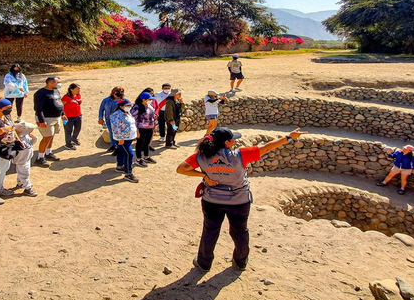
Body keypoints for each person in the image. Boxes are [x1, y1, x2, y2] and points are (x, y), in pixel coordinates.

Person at [177, 126, 307, 271]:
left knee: (210, 230)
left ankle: (204, 263)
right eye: (233, 140)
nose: (234, 142)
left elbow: (181, 169)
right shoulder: (240, 155)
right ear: (227, 143)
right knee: (240, 231)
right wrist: (289, 137)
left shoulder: (201, 156)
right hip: (239, 201)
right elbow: (267, 147)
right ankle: (240, 261)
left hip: (212, 200)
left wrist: (204, 176)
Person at [33, 76, 65, 167]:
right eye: (57, 82)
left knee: (51, 136)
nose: (59, 84)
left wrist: (62, 114)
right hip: (46, 119)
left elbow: (59, 102)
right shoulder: (40, 93)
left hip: (56, 117)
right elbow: (38, 108)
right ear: (50, 83)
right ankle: (39, 158)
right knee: (47, 137)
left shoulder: (56, 90)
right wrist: (41, 120)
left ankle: (48, 153)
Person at [108, 98, 139, 183]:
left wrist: (136, 131)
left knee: (121, 152)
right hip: (122, 139)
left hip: (129, 137)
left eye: (130, 105)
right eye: (127, 106)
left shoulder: (127, 113)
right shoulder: (116, 115)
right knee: (129, 154)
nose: (129, 107)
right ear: (121, 106)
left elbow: (132, 123)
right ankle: (128, 173)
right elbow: (115, 127)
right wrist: (120, 138)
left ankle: (120, 166)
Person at [13, 120, 39, 197]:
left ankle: (20, 183)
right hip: (21, 160)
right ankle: (28, 188)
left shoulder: (26, 136)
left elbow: (31, 143)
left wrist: (35, 138)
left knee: (21, 172)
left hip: (26, 158)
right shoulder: (18, 140)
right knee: (25, 173)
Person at [131, 92, 157, 166]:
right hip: (141, 128)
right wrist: (136, 130)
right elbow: (133, 119)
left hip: (150, 128)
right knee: (140, 143)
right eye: (149, 99)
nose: (150, 100)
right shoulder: (137, 107)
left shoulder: (149, 106)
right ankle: (138, 159)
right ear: (143, 99)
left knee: (147, 142)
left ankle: (146, 156)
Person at [99, 87, 125, 154]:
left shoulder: (124, 100)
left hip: (119, 121)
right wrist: (100, 118)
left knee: (118, 134)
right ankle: (113, 145)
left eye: (121, 92)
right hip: (109, 119)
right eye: (117, 92)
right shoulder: (106, 100)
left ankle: (118, 147)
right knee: (111, 132)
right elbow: (101, 109)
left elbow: (129, 109)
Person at [61, 83, 83, 150]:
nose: (79, 90)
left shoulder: (78, 95)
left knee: (78, 129)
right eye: (77, 89)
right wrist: (62, 115)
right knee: (68, 131)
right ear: (71, 89)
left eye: (79, 89)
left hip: (78, 116)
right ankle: (68, 144)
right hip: (68, 117)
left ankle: (74, 138)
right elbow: (60, 107)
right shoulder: (65, 98)